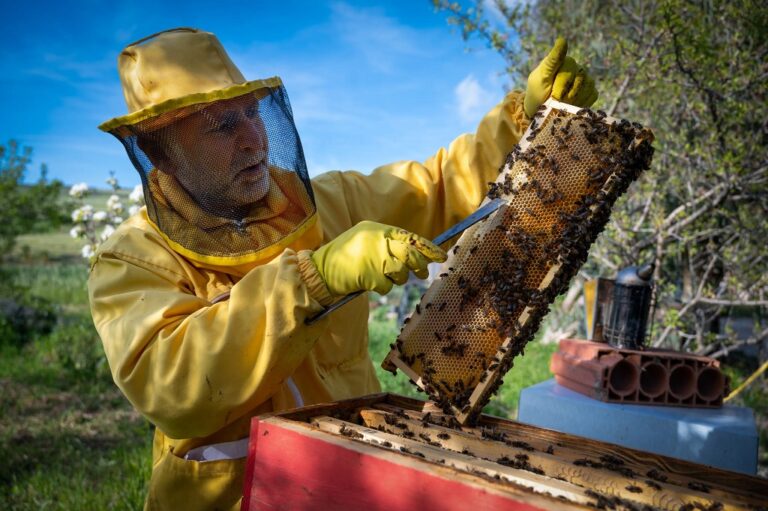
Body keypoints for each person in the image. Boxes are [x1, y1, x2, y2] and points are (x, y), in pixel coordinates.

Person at [89, 28, 596, 510]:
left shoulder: (330, 202)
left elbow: (437, 187)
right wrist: (317, 278)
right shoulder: (133, 258)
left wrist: (522, 121)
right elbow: (169, 384)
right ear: (162, 151)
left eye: (251, 113)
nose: (253, 138)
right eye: (222, 125)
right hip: (227, 497)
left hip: (350, 476)